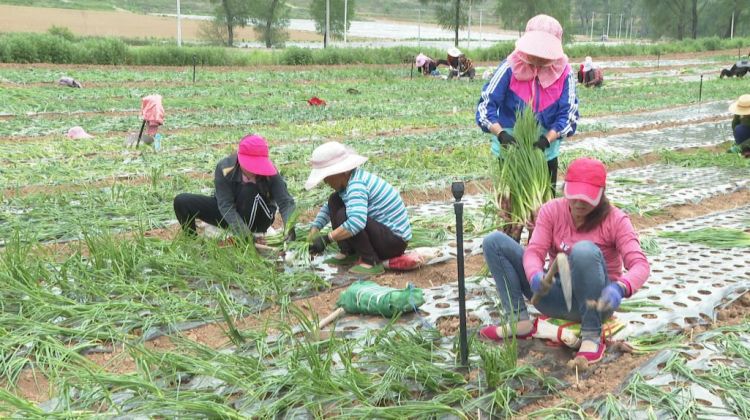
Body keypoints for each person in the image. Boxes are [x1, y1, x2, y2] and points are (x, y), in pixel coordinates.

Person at [479, 157, 650, 364]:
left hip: (596, 303)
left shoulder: (616, 220)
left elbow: (640, 265)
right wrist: (535, 275)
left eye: (586, 198)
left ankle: (591, 336)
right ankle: (518, 321)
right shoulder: (552, 211)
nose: (578, 203)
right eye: (574, 196)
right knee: (494, 242)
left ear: (601, 194)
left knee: (584, 251)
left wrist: (620, 288)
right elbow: (534, 251)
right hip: (557, 297)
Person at [476, 14, 579, 193]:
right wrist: (501, 135)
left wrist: (546, 140)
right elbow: (486, 106)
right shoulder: (510, 67)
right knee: (512, 206)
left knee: (545, 204)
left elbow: (568, 115)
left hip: (545, 153)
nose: (539, 57)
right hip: (511, 150)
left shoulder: (564, 73)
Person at [305, 141, 412, 275]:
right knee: (334, 200)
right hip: (382, 235)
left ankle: (371, 261)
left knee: (345, 215)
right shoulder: (347, 183)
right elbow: (328, 209)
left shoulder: (357, 185)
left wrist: (327, 239)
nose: (326, 182)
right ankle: (348, 252)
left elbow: (357, 221)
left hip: (394, 242)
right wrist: (315, 229)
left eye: (327, 177)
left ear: (341, 171)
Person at [173, 134, 296, 243]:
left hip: (259, 218)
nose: (253, 170)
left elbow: (286, 202)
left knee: (249, 190)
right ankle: (193, 242)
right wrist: (243, 234)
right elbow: (225, 205)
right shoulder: (225, 168)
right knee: (182, 201)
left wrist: (290, 227)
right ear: (240, 159)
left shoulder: (270, 172)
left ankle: (253, 234)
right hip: (231, 214)